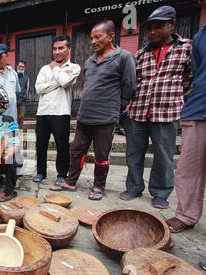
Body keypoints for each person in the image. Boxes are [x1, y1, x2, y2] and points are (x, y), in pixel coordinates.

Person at [52, 20, 136, 201]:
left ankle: (99, 186)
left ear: (111, 36)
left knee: (101, 155)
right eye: (92, 38)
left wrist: (118, 107)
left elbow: (129, 85)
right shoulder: (90, 61)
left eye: (98, 37)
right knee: (76, 151)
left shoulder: (123, 57)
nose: (93, 41)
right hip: (85, 115)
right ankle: (71, 181)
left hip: (105, 117)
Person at [120, 6, 193, 209]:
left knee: (164, 156)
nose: (152, 31)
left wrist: (175, 98)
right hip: (138, 111)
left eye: (158, 26)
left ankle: (160, 192)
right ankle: (134, 187)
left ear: (171, 25)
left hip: (166, 112)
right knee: (133, 154)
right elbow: (134, 82)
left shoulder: (186, 48)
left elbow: (189, 80)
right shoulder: (141, 54)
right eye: (150, 28)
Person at [164, 25, 204, 233]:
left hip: (185, 108)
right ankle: (186, 215)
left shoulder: (187, 43)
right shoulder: (200, 36)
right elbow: (197, 74)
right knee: (188, 168)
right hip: (198, 107)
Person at [33, 35, 81, 185]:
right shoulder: (44, 68)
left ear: (68, 49)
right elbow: (39, 89)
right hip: (43, 112)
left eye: (61, 48)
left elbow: (65, 82)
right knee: (41, 144)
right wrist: (58, 82)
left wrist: (55, 70)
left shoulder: (74, 68)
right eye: (55, 48)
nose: (57, 51)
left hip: (61, 112)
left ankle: (62, 174)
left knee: (62, 145)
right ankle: (41, 172)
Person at [16, 60, 30, 129]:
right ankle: (12, 135)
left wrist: (24, 97)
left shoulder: (26, 78)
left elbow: (27, 89)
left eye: (22, 67)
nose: (21, 68)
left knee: (20, 118)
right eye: (19, 66)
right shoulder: (13, 75)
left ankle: (20, 135)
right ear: (17, 67)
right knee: (12, 118)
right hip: (13, 101)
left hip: (22, 102)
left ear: (24, 68)